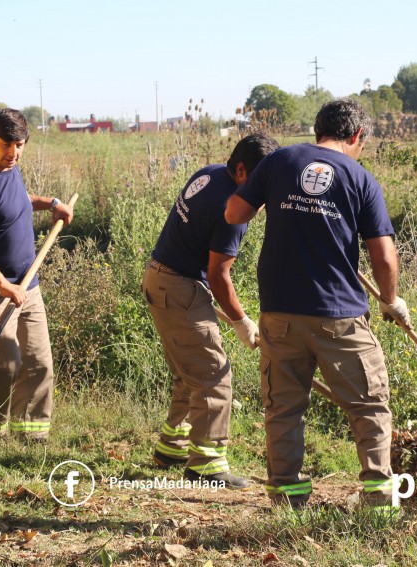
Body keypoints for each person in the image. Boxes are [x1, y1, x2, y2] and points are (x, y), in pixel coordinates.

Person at [225, 99, 412, 508]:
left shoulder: (279, 161)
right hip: (339, 315)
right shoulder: (360, 178)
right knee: (369, 404)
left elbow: (234, 213)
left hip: (280, 313)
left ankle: (287, 500)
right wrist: (390, 301)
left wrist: (278, 199)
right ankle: (380, 499)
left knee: (283, 409)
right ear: (357, 136)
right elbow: (383, 255)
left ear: (317, 131)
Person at [143, 133, 279, 489]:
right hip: (179, 288)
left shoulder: (210, 173)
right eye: (261, 183)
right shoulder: (233, 211)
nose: (263, 195)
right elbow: (219, 276)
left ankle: (173, 447)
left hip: (161, 278)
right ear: (241, 171)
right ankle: (206, 463)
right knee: (213, 376)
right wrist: (242, 321)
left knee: (189, 373)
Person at [0, 108, 73, 442]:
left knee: (38, 363)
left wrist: (52, 203)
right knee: (3, 366)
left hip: (27, 287)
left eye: (19, 145)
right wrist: (3, 286)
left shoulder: (11, 171)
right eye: (6, 145)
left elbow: (17, 201)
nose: (14, 153)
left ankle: (31, 437)